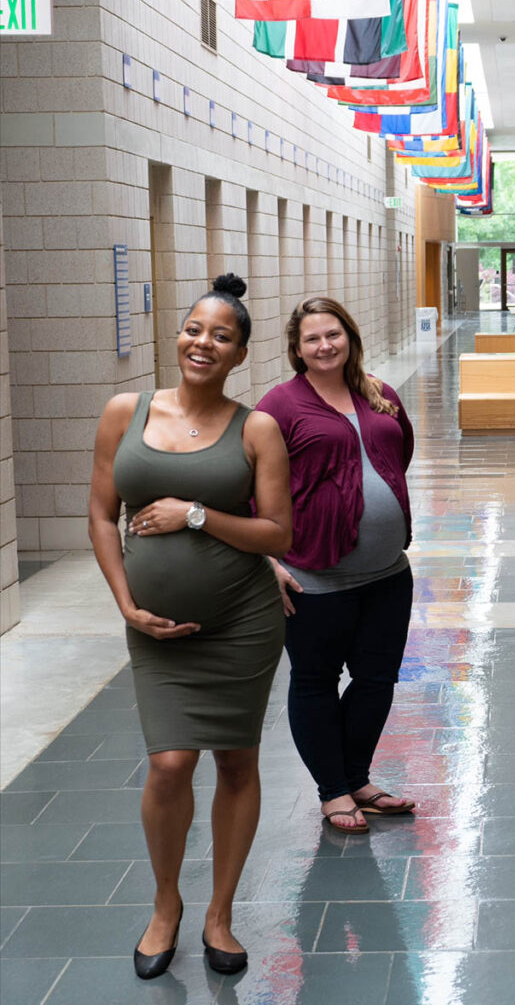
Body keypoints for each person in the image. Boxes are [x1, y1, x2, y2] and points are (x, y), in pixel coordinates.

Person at [88, 274, 292, 980]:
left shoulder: (256, 427)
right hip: (154, 629)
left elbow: (276, 533)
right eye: (194, 329)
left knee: (236, 761)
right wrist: (124, 603)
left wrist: (194, 514)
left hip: (241, 623)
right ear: (179, 334)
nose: (203, 343)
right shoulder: (126, 412)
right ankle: (167, 902)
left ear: (240, 354)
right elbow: (99, 513)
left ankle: (221, 913)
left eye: (222, 336)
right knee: (170, 763)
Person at [256, 296, 416, 835]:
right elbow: (248, 485)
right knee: (316, 682)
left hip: (388, 575)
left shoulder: (380, 393)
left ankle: (357, 779)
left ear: (349, 336)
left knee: (376, 680)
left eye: (333, 334)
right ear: (297, 350)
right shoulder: (279, 406)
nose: (325, 346)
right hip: (314, 579)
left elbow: (400, 452)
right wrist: (266, 559)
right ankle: (333, 791)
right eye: (312, 339)